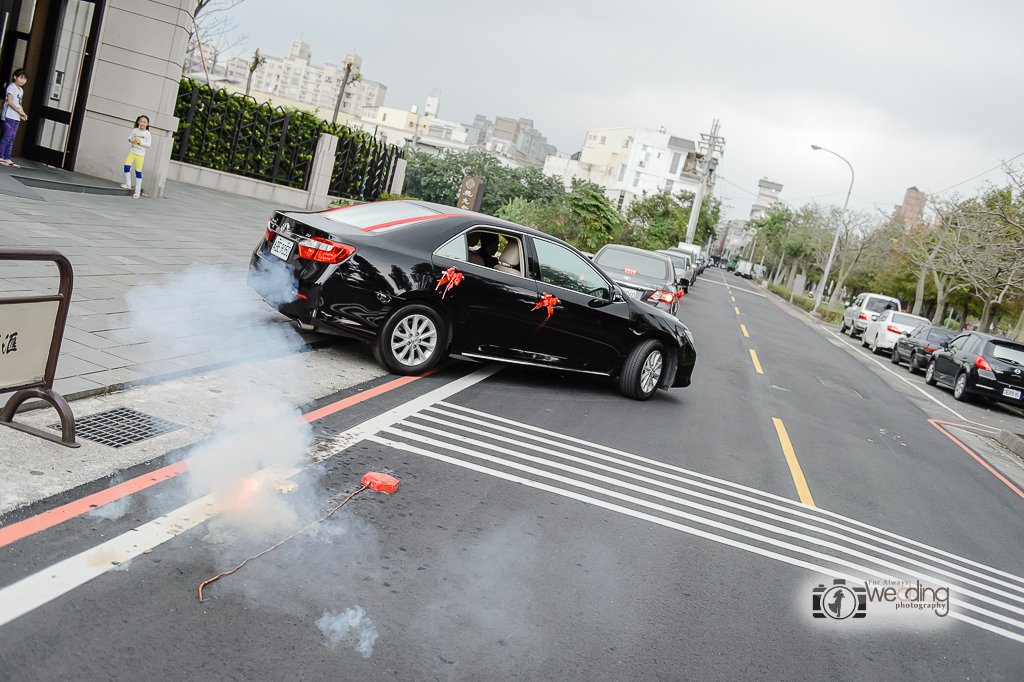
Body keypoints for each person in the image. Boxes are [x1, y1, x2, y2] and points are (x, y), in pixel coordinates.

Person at [1, 69, 28, 168]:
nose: (22, 80)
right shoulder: (11, 87)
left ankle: (7, 157)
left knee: (12, 137)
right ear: (15, 77)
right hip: (9, 115)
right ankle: (0, 156)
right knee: (7, 136)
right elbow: (10, 102)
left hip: (16, 116)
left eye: (24, 79)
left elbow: (19, 104)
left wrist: (22, 113)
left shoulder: (21, 90)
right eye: (20, 78)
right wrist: (20, 112)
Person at [121, 114, 151, 198]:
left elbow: (148, 145)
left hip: (140, 154)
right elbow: (129, 137)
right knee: (126, 166)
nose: (142, 123)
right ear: (138, 122)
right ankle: (128, 184)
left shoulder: (147, 134)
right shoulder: (135, 130)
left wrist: (140, 142)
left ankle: (137, 191)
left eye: (144, 122)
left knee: (138, 171)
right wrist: (132, 140)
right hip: (132, 152)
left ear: (147, 124)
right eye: (141, 121)